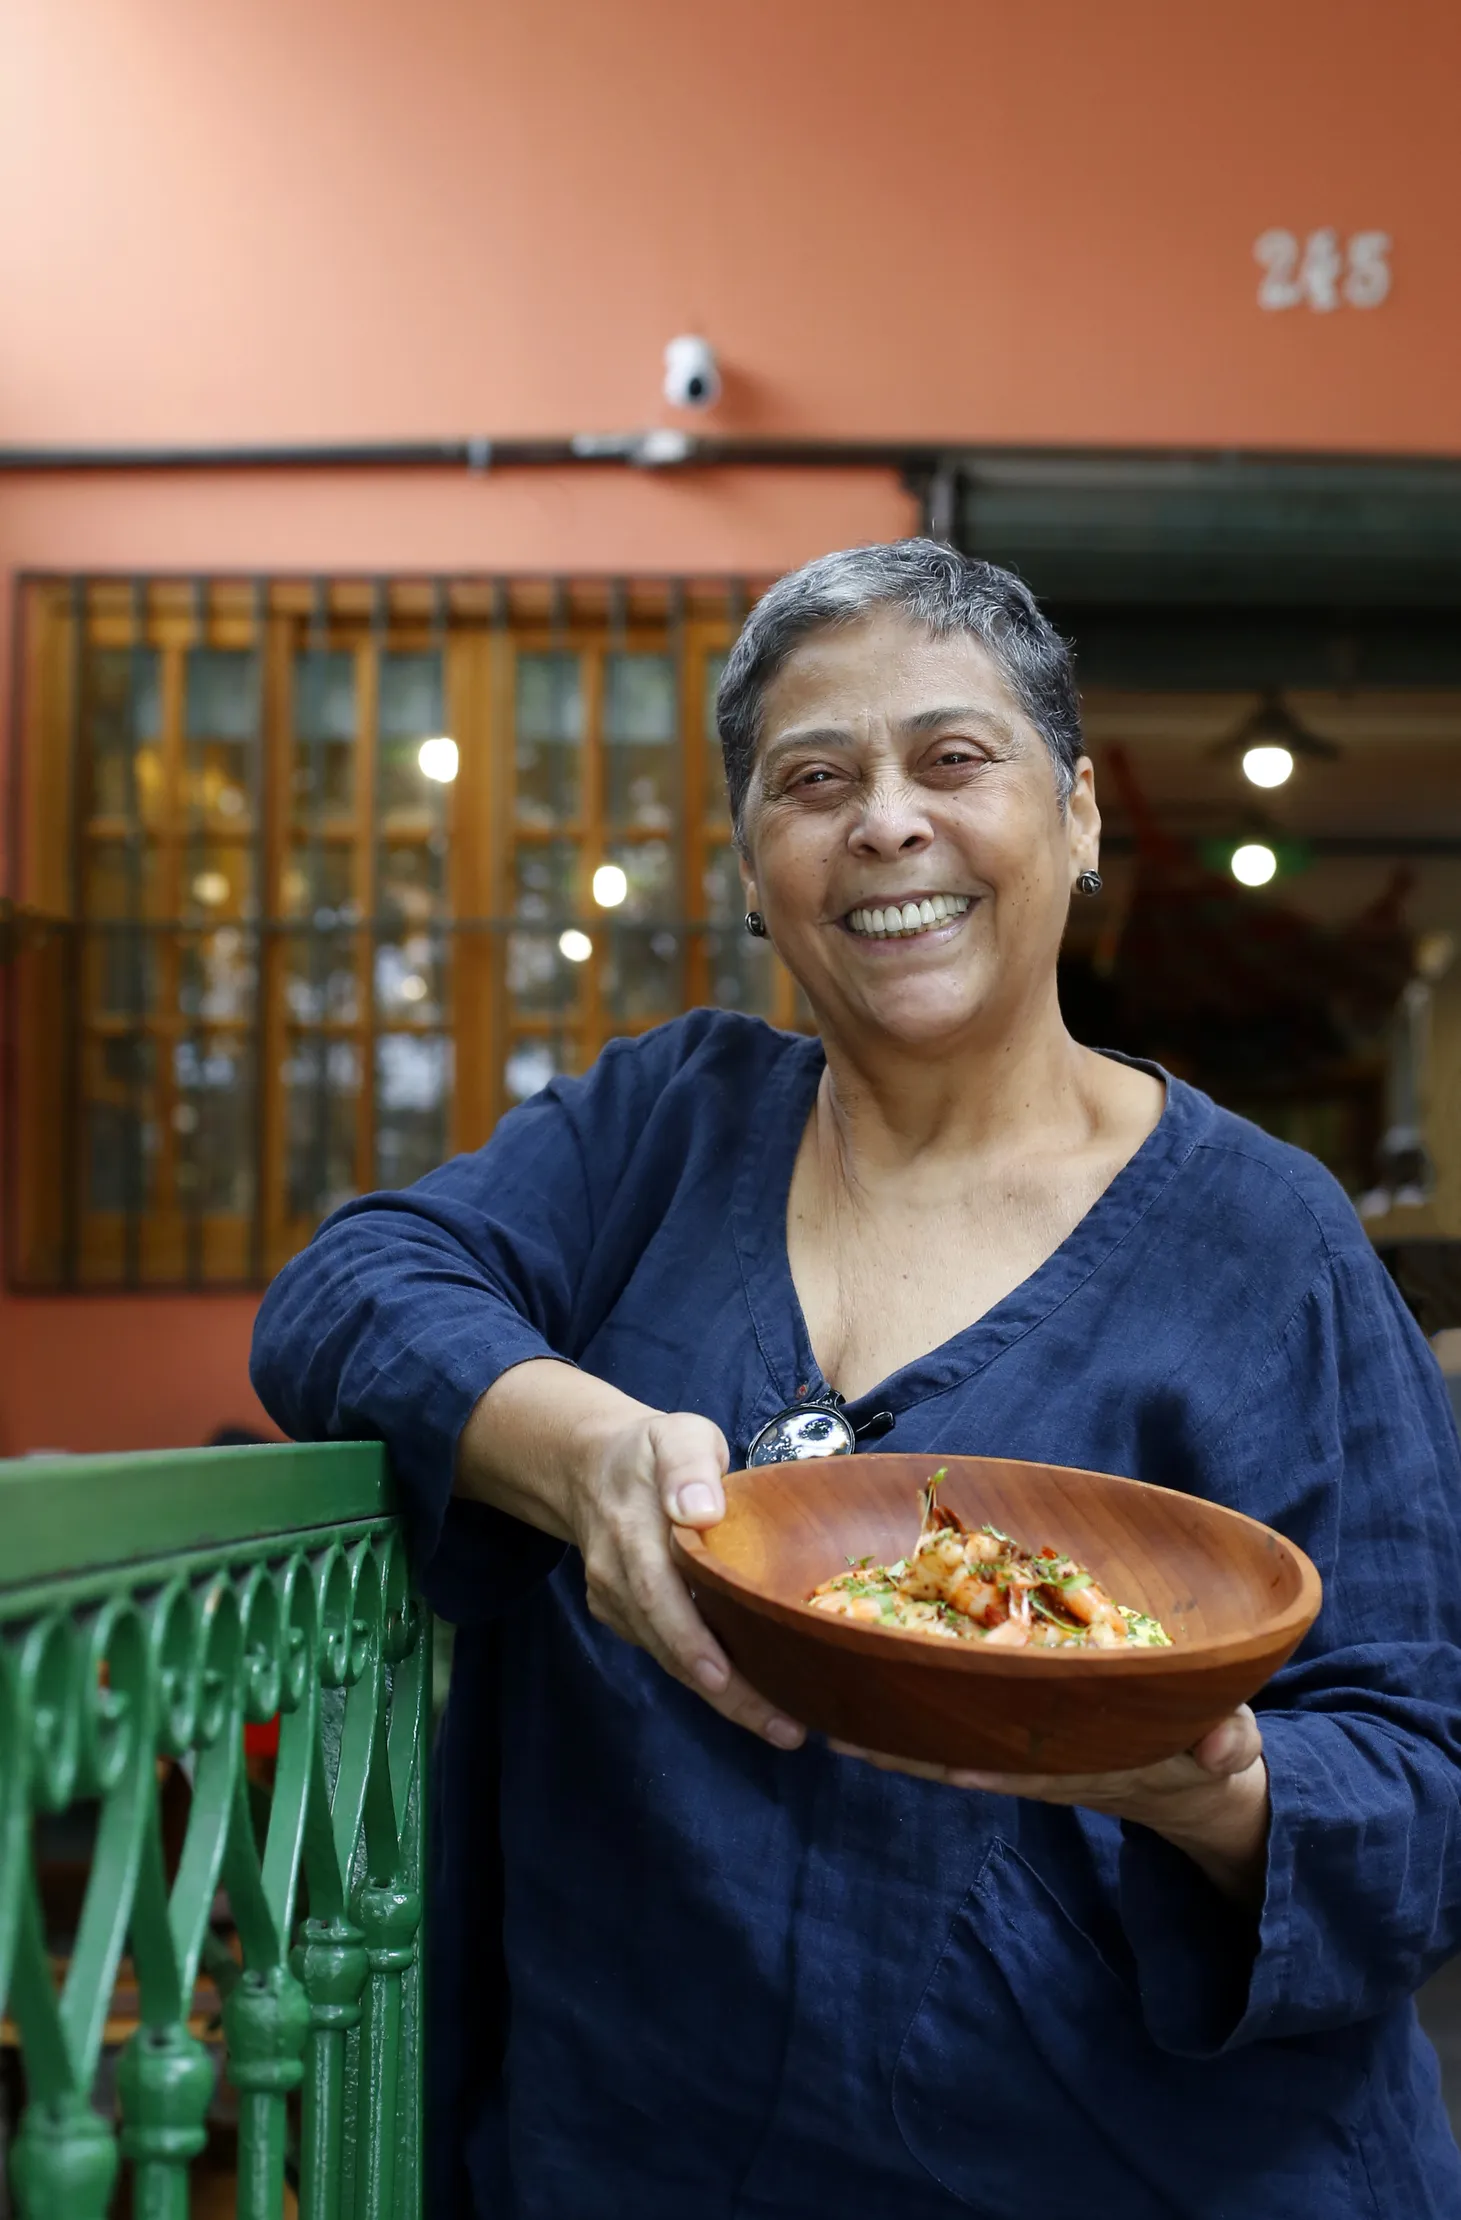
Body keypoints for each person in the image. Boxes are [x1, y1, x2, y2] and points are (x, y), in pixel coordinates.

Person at [251, 542, 1461, 2219]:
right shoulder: (666, 1128)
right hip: (631, 2151)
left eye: (953, 760)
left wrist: (1230, 1794)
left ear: (1083, 815)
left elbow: (1430, 1776)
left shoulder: (1274, 1246)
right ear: (754, 866)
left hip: (1127, 2171)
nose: (885, 821)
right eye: (814, 781)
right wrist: (582, 1449)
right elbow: (345, 1294)